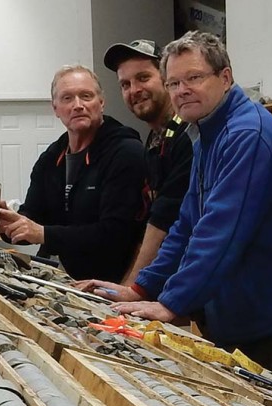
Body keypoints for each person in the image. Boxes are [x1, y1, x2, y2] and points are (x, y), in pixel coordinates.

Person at [78, 32, 272, 403]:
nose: (182, 90)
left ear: (225, 78)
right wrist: (142, 288)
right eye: (174, 82)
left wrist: (171, 302)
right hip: (258, 320)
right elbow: (187, 224)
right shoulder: (207, 134)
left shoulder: (247, 135)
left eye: (194, 78)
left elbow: (220, 233)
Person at [0, 65, 147, 283]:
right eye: (67, 98)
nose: (78, 106)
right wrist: (8, 224)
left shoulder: (126, 153)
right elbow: (33, 216)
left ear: (101, 102)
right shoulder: (51, 158)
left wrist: (44, 234)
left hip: (111, 284)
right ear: (55, 108)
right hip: (64, 279)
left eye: (86, 96)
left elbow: (115, 234)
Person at [101, 39, 193, 284]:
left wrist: (132, 287)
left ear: (166, 79)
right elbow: (149, 224)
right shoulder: (155, 140)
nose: (134, 90)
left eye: (143, 78)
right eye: (125, 84)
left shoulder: (189, 136)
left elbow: (164, 221)